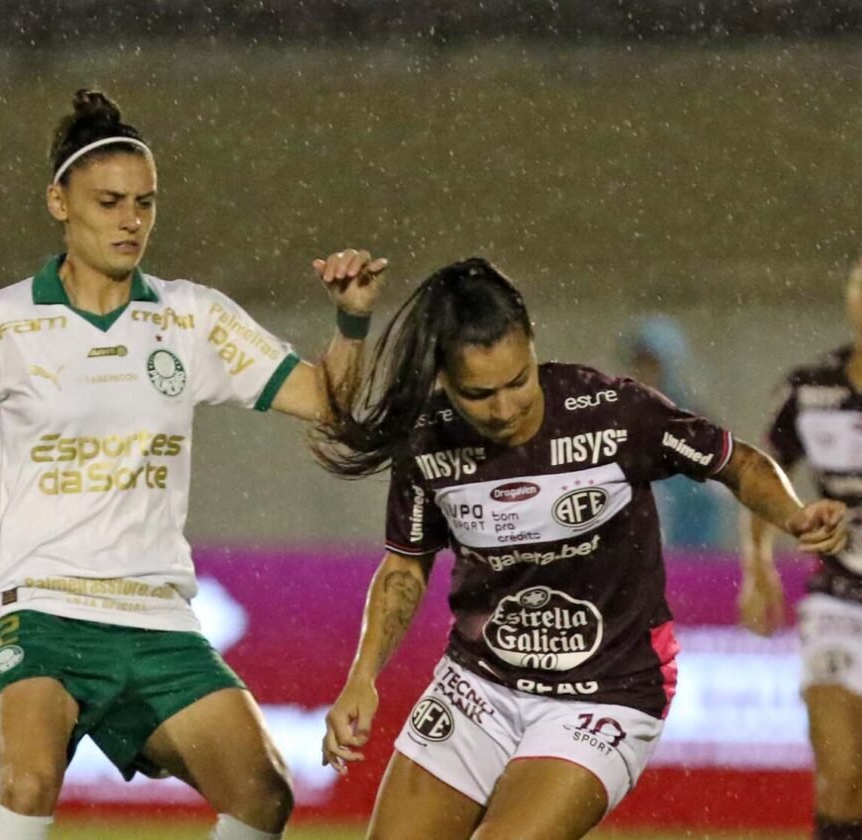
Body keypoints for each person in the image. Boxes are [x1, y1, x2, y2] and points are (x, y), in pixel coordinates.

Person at [0, 88, 385, 840]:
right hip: (34, 603)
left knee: (265, 794)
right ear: (59, 202)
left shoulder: (189, 317)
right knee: (28, 778)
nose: (130, 221)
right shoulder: (0, 322)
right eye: (109, 202)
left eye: (144, 203)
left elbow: (326, 401)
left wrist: (353, 319)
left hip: (153, 613)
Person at [314, 257, 846, 840]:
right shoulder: (426, 440)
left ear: (532, 343)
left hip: (607, 691)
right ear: (443, 379)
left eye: (518, 381)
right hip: (477, 685)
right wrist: (363, 676)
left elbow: (735, 462)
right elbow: (405, 568)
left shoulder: (613, 413)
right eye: (479, 394)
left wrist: (794, 514)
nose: (505, 408)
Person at [741, 258, 862, 840]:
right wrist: (758, 564)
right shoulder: (810, 390)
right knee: (841, 780)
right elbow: (759, 474)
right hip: (837, 599)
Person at [620, 315, 728, 549]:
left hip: (686, 552)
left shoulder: (692, 423)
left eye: (652, 365)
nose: (642, 373)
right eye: (638, 363)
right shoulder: (617, 417)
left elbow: (714, 493)